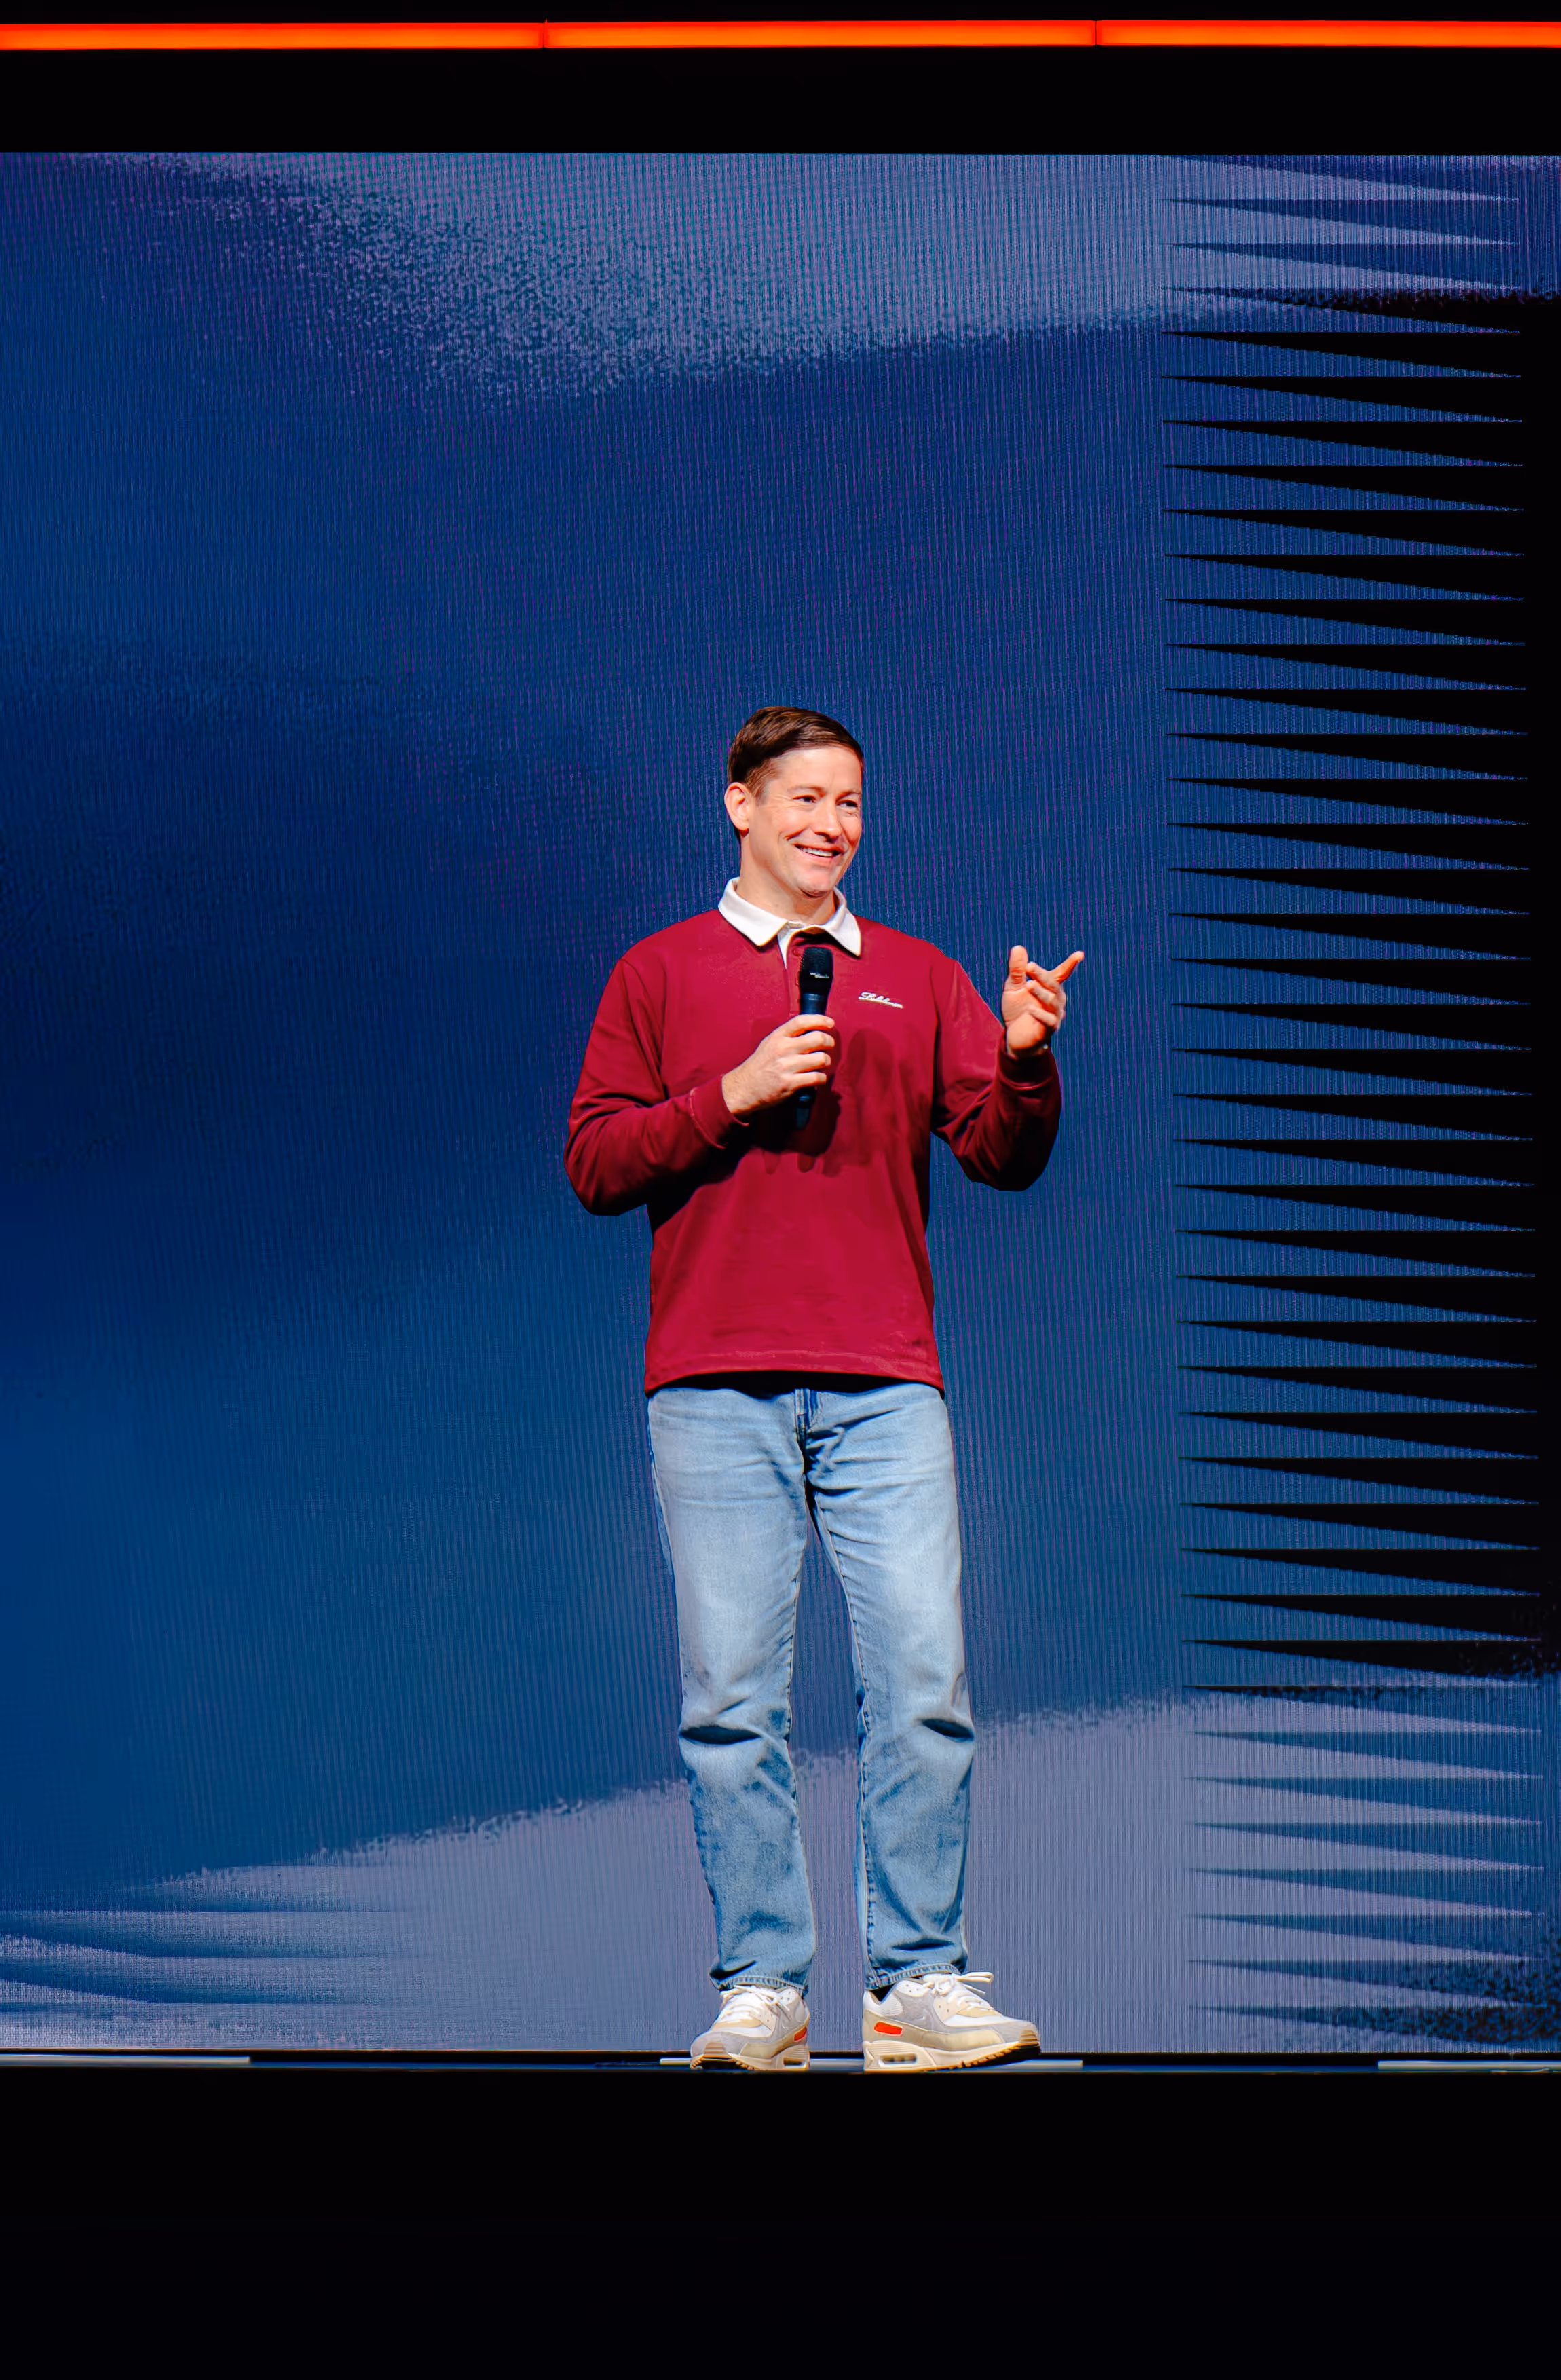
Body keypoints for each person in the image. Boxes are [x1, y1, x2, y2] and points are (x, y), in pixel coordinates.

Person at [567, 706, 1080, 2072]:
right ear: (739, 804)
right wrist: (731, 1091)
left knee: (921, 1681)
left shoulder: (916, 974)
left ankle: (916, 1982)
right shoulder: (658, 972)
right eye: (803, 798)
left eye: (849, 802)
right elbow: (596, 1162)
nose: (829, 825)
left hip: (883, 1380)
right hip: (713, 1381)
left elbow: (1000, 1151)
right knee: (732, 1701)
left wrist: (1024, 1055)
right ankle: (764, 1988)